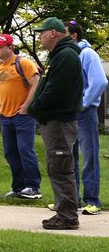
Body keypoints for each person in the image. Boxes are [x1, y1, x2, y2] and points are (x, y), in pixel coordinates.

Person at [28, 17, 83, 230]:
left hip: (60, 120)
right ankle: (62, 212)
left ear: (53, 33)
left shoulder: (66, 55)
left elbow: (55, 90)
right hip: (54, 120)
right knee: (56, 166)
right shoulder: (59, 55)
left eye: (42, 32)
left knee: (61, 168)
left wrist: (36, 107)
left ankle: (68, 217)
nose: (40, 37)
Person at [0, 33, 42, 200]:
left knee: (25, 150)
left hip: (23, 117)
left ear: (10, 47)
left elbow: (36, 84)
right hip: (6, 117)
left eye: (0, 46)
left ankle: (33, 187)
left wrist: (25, 107)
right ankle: (18, 188)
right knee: (11, 153)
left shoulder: (23, 63)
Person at [67, 21, 106, 215]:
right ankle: (73, 200)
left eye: (62, 33)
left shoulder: (87, 54)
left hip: (85, 113)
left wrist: (83, 103)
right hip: (69, 114)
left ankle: (93, 201)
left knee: (89, 156)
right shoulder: (68, 55)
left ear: (73, 35)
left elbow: (99, 81)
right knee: (69, 157)